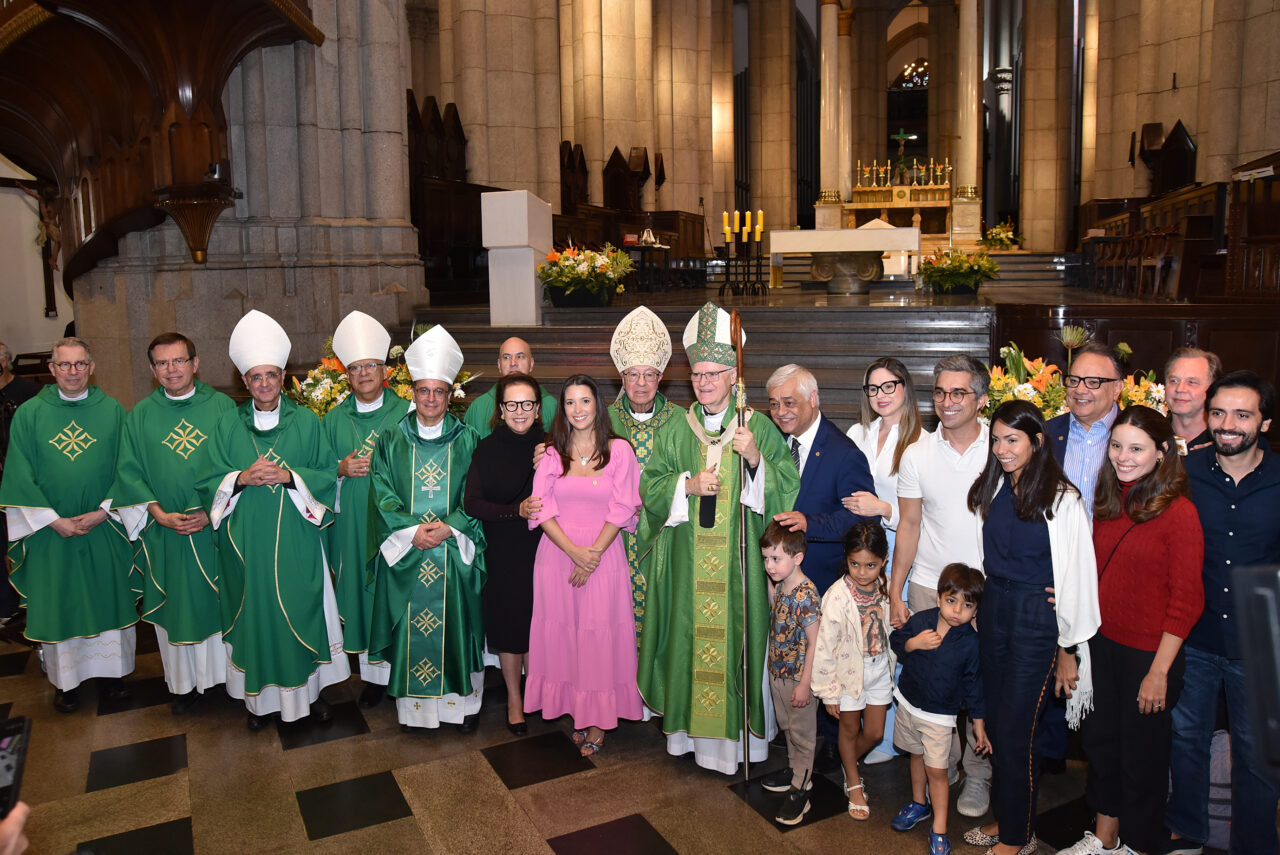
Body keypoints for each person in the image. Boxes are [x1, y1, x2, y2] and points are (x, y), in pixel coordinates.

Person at [637, 302, 800, 774]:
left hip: (740, 567)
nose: (704, 383)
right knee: (690, 636)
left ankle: (735, 745)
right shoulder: (674, 428)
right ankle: (689, 739)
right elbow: (650, 486)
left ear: (734, 376)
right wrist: (684, 487)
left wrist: (754, 462)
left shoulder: (757, 428)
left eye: (713, 374)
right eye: (697, 375)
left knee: (737, 642)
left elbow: (786, 493)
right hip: (688, 566)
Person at [1059, 406, 1204, 855]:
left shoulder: (1179, 513)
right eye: (1117, 446)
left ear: (1162, 453)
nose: (1123, 456)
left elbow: (1187, 600)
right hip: (1103, 647)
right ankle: (1103, 836)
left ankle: (1140, 844)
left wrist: (1159, 671)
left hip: (1149, 655)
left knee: (1142, 759)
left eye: (1136, 448)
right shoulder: (1108, 502)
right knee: (1101, 747)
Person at [963, 400, 1100, 855]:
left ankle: (1017, 839)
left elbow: (1078, 576)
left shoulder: (1063, 498)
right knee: (1001, 729)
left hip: (1036, 622)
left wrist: (1067, 649)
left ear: (1037, 441)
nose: (1002, 449)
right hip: (997, 609)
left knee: (1017, 731)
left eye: (1013, 440)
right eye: (997, 439)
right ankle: (1011, 820)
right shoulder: (997, 487)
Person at [202, 310, 350, 728]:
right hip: (245, 540)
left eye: (271, 375)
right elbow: (208, 479)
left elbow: (326, 472)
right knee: (255, 614)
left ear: (283, 377)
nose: (264, 383)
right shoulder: (227, 424)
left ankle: (312, 693)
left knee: (304, 610)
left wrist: (289, 477)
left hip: (297, 541)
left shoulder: (306, 420)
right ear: (244, 382)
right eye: (255, 377)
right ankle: (259, 702)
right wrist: (239, 478)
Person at [1167, 370, 1279, 855]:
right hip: (1196, 635)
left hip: (1261, 644)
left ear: (1266, 422)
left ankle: (1254, 845)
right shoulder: (1183, 474)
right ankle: (1188, 834)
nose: (1227, 424)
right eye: (1218, 413)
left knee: (1257, 758)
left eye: (1241, 414)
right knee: (1186, 741)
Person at [0, 337, 136, 714]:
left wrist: (103, 512)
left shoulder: (112, 411)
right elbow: (18, 474)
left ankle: (112, 679)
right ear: (52, 369)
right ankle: (67, 684)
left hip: (102, 526)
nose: (72, 372)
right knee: (58, 603)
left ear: (92, 367)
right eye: (65, 365)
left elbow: (128, 467)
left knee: (106, 597)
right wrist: (52, 520)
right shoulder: (30, 414)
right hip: (50, 533)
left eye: (80, 365)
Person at [367, 325, 487, 733]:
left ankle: (459, 709)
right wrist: (410, 532)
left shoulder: (469, 440)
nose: (431, 399)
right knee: (412, 626)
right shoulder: (391, 439)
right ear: (412, 393)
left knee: (456, 625)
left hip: (453, 551)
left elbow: (478, 494)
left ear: (450, 394)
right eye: (423, 390)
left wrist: (450, 528)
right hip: (409, 552)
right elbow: (380, 491)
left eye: (439, 391)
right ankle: (414, 712)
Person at [890, 353, 991, 816]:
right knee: (935, 685)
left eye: (959, 392)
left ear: (981, 399)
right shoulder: (918, 453)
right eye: (940, 392)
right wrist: (896, 588)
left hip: (989, 593)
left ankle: (979, 777)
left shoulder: (1001, 446)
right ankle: (943, 769)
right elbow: (908, 525)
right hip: (931, 587)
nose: (947, 402)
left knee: (980, 687)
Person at [113, 332, 235, 714]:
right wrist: (156, 513)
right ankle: (183, 686)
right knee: (176, 606)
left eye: (179, 361)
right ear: (152, 370)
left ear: (195, 364)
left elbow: (237, 465)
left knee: (215, 602)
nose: (171, 369)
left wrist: (208, 510)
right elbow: (128, 472)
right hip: (164, 531)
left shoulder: (223, 408)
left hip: (212, 528)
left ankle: (219, 682)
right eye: (163, 363)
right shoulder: (141, 415)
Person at [524, 374, 643, 756]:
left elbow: (624, 505)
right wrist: (575, 552)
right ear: (563, 409)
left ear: (598, 405)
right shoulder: (551, 453)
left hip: (603, 557)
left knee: (597, 637)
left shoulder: (619, 451)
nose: (578, 410)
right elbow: (541, 509)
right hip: (558, 557)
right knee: (566, 638)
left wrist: (590, 555)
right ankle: (577, 711)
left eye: (585, 401)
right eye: (570, 402)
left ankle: (597, 721)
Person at [766, 362, 875, 773]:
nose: (780, 412)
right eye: (774, 404)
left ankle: (828, 754)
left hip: (823, 580)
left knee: (823, 669)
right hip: (782, 580)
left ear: (814, 400)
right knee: (790, 666)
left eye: (789, 402)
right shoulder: (775, 444)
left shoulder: (844, 452)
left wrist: (812, 524)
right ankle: (795, 745)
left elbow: (861, 520)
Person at [320, 311, 407, 710]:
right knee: (361, 592)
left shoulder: (407, 412)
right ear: (347, 375)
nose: (364, 373)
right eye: (356, 368)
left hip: (394, 524)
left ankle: (402, 667)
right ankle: (373, 676)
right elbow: (313, 469)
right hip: (352, 526)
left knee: (394, 592)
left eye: (371, 365)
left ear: (384, 370)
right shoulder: (331, 419)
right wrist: (338, 469)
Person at [844, 355, 925, 765]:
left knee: (897, 646)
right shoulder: (857, 432)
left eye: (888, 386)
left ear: (905, 388)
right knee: (867, 647)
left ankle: (894, 737)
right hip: (863, 559)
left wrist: (882, 507)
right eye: (873, 388)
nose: (881, 395)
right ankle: (868, 728)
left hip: (902, 557)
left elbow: (923, 512)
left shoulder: (922, 440)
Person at [464, 372, 546, 735]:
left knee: (540, 621)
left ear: (538, 409)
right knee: (511, 625)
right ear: (500, 409)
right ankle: (514, 697)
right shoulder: (486, 447)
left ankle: (537, 691)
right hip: (503, 548)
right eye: (511, 404)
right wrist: (516, 512)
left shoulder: (551, 445)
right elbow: (473, 503)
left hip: (546, 547)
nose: (519, 411)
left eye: (527, 404)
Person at [889, 563, 990, 855]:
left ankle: (940, 828)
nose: (957, 610)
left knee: (937, 771)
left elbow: (974, 686)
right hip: (908, 704)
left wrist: (979, 723)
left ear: (975, 610)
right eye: (951, 601)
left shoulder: (971, 643)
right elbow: (897, 642)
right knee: (915, 755)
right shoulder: (922, 621)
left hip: (938, 716)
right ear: (938, 598)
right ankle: (919, 804)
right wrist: (913, 643)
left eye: (967, 605)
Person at [606, 306, 683, 645]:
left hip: (665, 538)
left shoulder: (683, 421)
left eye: (649, 374)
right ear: (621, 378)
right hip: (611, 539)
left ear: (660, 377)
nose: (640, 384)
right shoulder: (601, 421)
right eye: (632, 375)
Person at [811, 520, 895, 823]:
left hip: (878, 670)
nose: (862, 572)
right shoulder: (836, 595)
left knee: (873, 732)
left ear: (883, 561)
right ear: (846, 559)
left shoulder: (886, 587)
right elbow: (824, 647)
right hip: (846, 674)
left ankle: (849, 768)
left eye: (870, 565)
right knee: (848, 730)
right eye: (855, 564)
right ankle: (854, 783)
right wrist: (828, 690)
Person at [758, 521, 821, 826]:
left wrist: (805, 684)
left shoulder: (806, 594)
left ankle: (802, 789)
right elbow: (776, 608)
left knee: (803, 734)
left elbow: (814, 642)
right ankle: (796, 771)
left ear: (797, 558)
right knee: (788, 728)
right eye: (766, 558)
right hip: (778, 671)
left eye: (776, 559)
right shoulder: (783, 584)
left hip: (797, 677)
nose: (770, 566)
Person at [1047, 340, 1123, 515]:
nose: (1080, 390)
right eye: (1074, 380)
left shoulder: (1138, 436)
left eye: (1093, 382)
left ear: (1117, 388)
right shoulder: (1046, 433)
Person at [0, 341, 40, 628]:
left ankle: (30, 597)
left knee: (23, 539)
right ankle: (4, 604)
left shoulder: (28, 393)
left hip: (23, 480)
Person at [463, 336, 557, 440]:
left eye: (520, 356)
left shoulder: (551, 406)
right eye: (506, 357)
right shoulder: (478, 407)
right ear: (499, 365)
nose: (513, 363)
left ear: (531, 363)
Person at [1163, 347, 1221, 453]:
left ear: (1212, 388)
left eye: (1191, 382)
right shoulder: (1151, 437)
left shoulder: (1223, 444)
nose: (1180, 389)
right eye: (1174, 381)